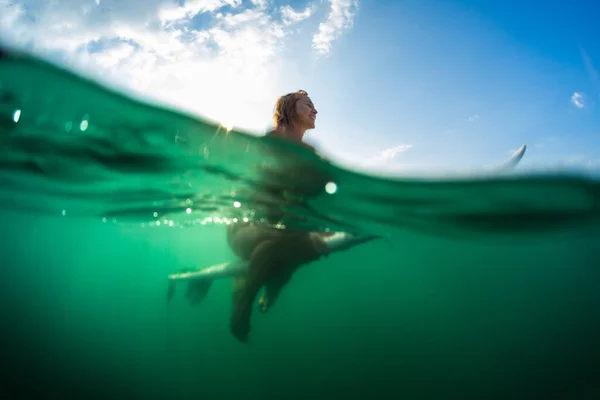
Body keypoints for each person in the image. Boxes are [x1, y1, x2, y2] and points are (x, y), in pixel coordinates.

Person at [225, 90, 334, 343]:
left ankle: (274, 283)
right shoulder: (269, 145)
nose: (315, 110)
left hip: (281, 230)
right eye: (308, 105)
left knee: (306, 245)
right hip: (243, 229)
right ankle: (244, 299)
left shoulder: (311, 154)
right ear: (288, 109)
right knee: (286, 241)